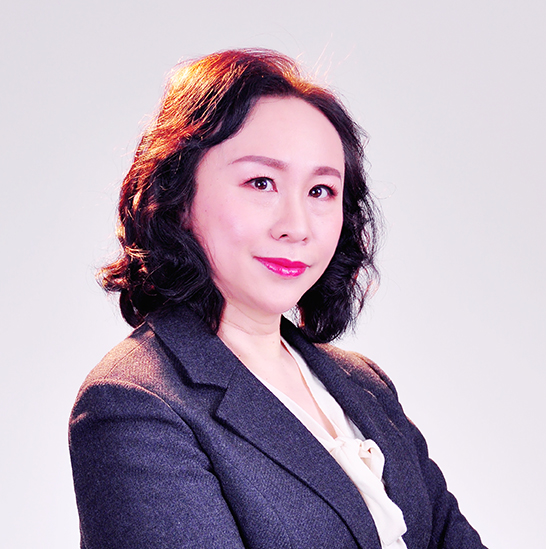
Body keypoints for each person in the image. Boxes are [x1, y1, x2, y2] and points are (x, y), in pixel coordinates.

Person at [69, 49, 487, 549]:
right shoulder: (135, 402)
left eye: (321, 191)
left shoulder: (363, 384)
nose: (297, 226)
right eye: (261, 183)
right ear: (178, 198)